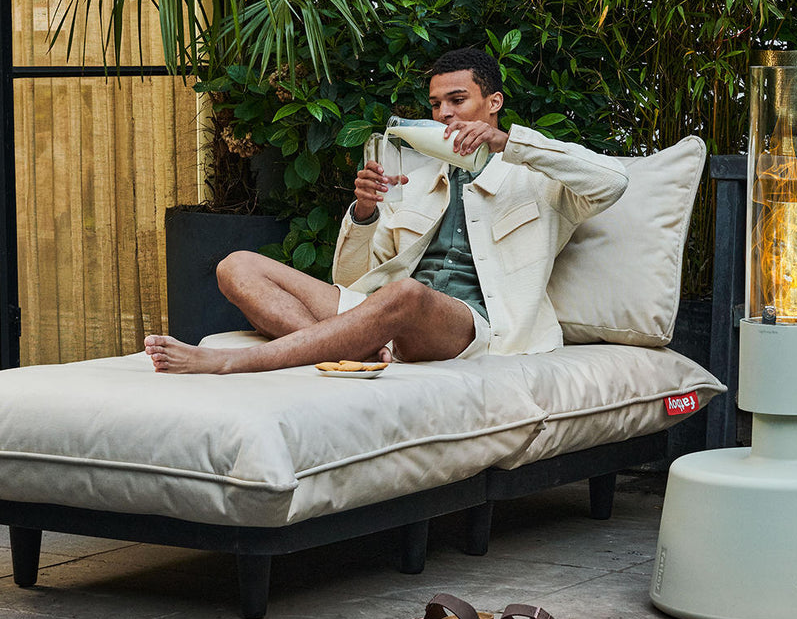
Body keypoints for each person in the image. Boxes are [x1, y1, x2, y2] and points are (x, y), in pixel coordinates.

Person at [144, 47, 628, 374]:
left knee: (408, 295)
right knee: (236, 266)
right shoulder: (414, 179)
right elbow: (351, 281)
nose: (444, 114)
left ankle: (233, 363)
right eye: (436, 104)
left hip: (471, 326)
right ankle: (353, 350)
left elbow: (613, 182)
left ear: (493, 102)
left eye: (457, 100)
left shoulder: (538, 178)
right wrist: (364, 213)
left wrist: (510, 143)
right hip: (382, 312)